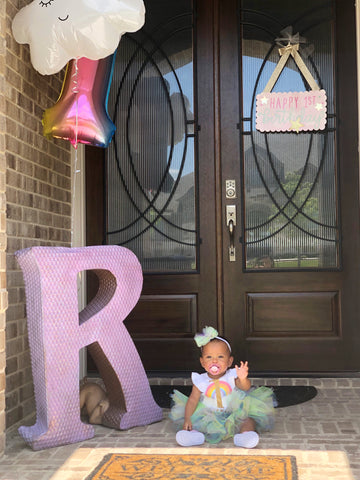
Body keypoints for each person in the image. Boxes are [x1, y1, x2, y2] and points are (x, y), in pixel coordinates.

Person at [169, 326, 275, 448]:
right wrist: (187, 419)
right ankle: (195, 436)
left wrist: (242, 378)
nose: (214, 361)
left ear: (229, 362)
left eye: (220, 357)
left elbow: (245, 387)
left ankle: (245, 436)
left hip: (234, 412)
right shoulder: (200, 381)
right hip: (209, 414)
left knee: (248, 420)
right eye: (209, 357)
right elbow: (192, 400)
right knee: (197, 422)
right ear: (202, 362)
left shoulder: (232, 376)